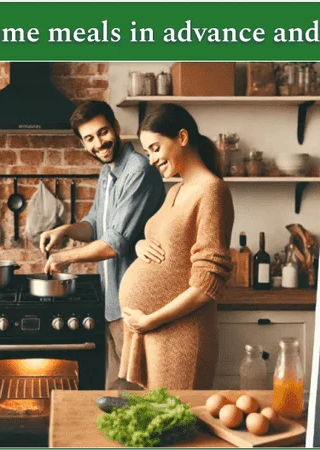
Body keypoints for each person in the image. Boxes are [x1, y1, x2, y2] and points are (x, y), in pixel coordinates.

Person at [40, 100, 165, 390]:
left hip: (136, 305)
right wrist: (64, 230)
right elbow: (95, 225)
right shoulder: (108, 172)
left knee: (136, 393)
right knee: (115, 391)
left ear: (116, 127)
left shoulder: (138, 171)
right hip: (111, 302)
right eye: (89, 138)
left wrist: (64, 258)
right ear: (83, 144)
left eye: (103, 132)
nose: (99, 143)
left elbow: (113, 244)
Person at [117, 103, 234, 390]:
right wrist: (140, 245)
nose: (151, 160)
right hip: (154, 331)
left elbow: (206, 285)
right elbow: (165, 241)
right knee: (158, 415)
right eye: (147, 152)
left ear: (182, 137)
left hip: (181, 335)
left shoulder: (212, 191)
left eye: (155, 148)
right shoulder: (176, 190)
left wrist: (151, 320)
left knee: (176, 416)